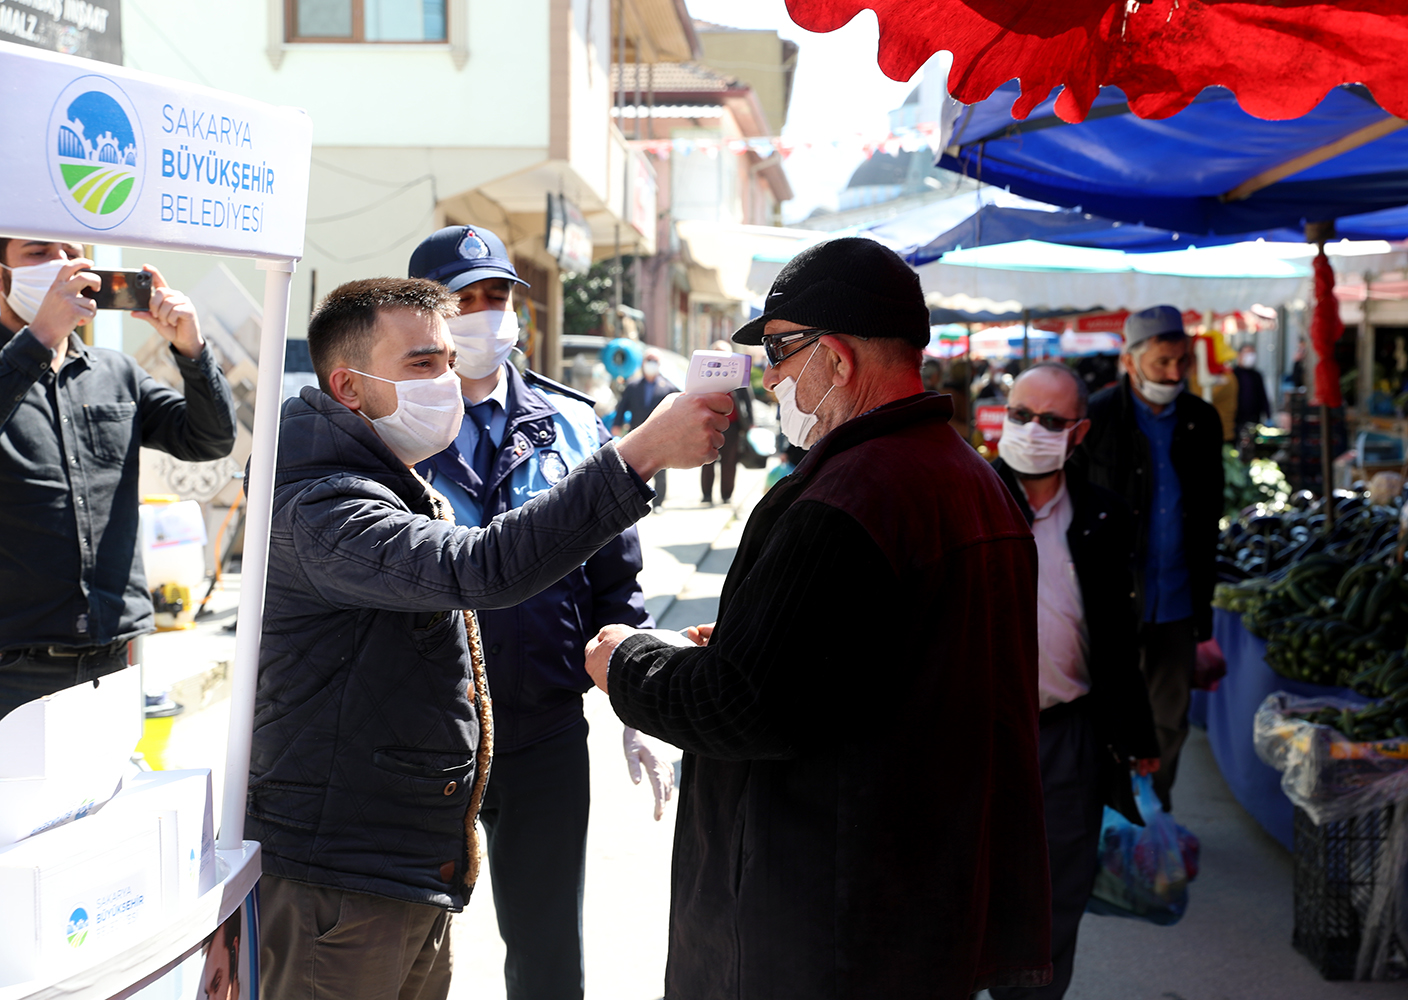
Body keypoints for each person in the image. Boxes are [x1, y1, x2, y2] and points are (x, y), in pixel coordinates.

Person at [583, 238, 1052, 999]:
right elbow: (876, 661)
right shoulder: (972, 479)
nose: (767, 379)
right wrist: (744, 641)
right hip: (922, 898)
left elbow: (742, 708)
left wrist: (625, 663)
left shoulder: (852, 495)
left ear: (835, 357)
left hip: (823, 918)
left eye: (777, 351)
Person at [249, 277, 731, 1000]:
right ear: (348, 386)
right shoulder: (323, 502)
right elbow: (484, 568)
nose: (448, 382)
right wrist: (640, 454)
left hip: (409, 862)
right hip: (343, 876)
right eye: (422, 365)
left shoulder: (392, 475)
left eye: (447, 360)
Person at [407, 226, 670, 1000]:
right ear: (428, 313)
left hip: (545, 734)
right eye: (466, 300)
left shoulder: (575, 424)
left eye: (498, 298)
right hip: (423, 738)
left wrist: (636, 695)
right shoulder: (393, 427)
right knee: (401, 952)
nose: (486, 315)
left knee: (549, 956)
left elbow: (615, 579)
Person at [0, 238, 236, 719]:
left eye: (71, 252)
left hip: (113, 654)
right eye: (38, 252)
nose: (63, 266)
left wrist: (191, 349)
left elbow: (209, 439)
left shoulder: (115, 371)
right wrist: (39, 339)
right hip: (13, 661)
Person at [989, 362, 1160, 1000]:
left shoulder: (1104, 517)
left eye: (1051, 421)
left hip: (1066, 736)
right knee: (962, 885)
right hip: (971, 733)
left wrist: (1138, 737)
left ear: (1079, 431)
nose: (1031, 430)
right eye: (1020, 415)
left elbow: (1119, 639)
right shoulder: (964, 496)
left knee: (1055, 893)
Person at [1081, 305, 1223, 810]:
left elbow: (1209, 516)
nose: (1174, 373)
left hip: (1178, 601)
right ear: (1129, 359)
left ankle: (1151, 816)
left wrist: (1205, 606)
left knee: (1169, 718)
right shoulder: (1094, 418)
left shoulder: (1201, 421)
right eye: (1163, 362)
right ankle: (1104, 817)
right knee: (1106, 712)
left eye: (1182, 361)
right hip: (1111, 600)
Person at [612, 347, 677, 509]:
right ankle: (635, 502)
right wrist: (616, 425)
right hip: (637, 433)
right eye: (649, 360)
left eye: (654, 361)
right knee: (634, 469)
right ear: (643, 363)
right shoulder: (633, 386)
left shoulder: (668, 388)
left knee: (660, 470)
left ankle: (658, 502)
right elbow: (622, 407)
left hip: (661, 436)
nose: (651, 364)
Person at [700, 339, 753, 505]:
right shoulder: (705, 373)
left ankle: (726, 495)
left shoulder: (737, 373)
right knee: (707, 460)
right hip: (710, 425)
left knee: (730, 462)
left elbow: (747, 399)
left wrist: (751, 422)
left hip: (733, 425)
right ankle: (707, 494)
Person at [1232, 344, 1270, 451]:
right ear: (1239, 355)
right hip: (1237, 419)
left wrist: (1268, 415)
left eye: (1253, 353)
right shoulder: (1233, 374)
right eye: (1248, 353)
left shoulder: (1257, 375)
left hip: (1254, 418)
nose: (1251, 356)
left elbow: (1263, 396)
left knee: (1253, 447)